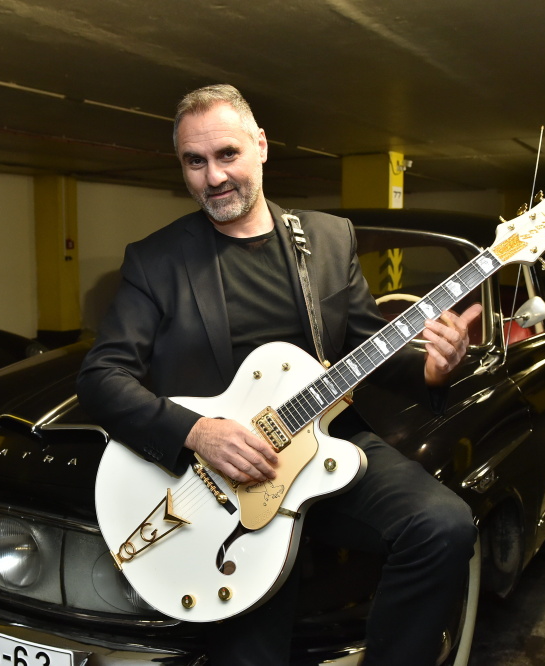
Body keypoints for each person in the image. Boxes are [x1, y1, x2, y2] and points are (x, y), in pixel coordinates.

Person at [77, 84, 482, 666]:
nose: (214, 177)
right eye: (195, 161)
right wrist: (198, 432)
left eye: (228, 154)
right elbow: (101, 377)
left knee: (443, 527)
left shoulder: (328, 239)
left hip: (324, 443)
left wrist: (433, 370)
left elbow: (368, 345)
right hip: (221, 482)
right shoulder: (157, 259)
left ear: (261, 146)